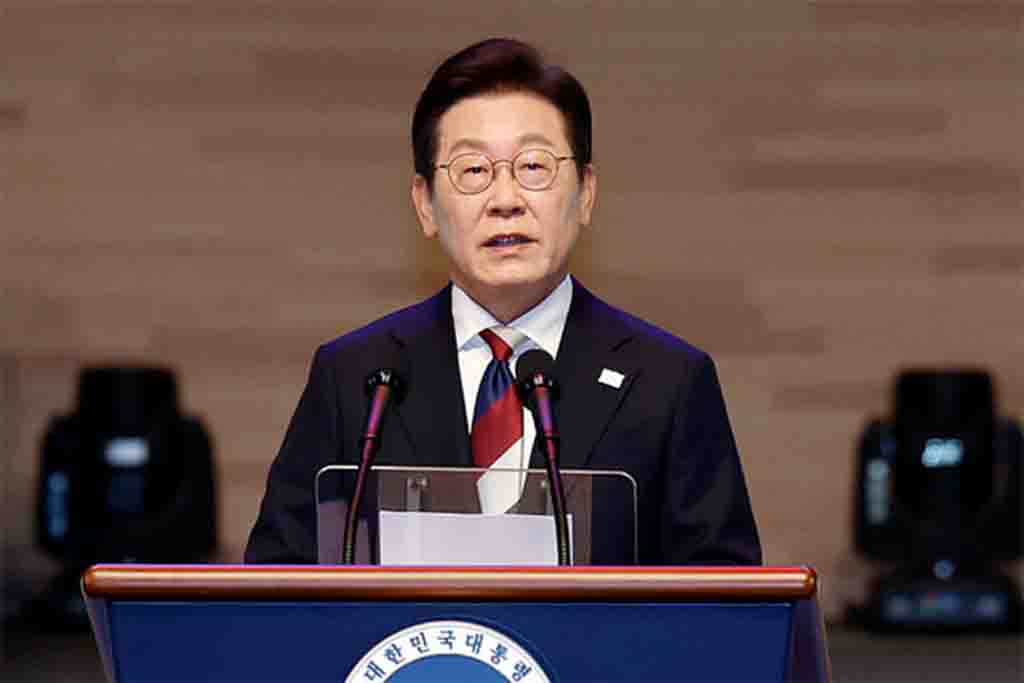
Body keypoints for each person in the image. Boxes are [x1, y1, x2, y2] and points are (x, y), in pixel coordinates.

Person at [245, 38, 761, 565]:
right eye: (473, 171)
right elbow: (276, 578)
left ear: (585, 193)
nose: (506, 200)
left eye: (534, 166)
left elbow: (725, 594)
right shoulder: (354, 377)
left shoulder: (669, 382)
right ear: (425, 205)